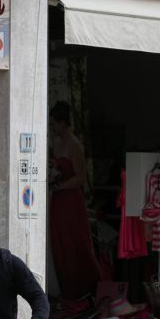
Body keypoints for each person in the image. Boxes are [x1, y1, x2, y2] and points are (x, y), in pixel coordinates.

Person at [47, 101, 103, 300]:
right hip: (58, 198)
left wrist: (58, 184)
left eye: (54, 124)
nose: (52, 127)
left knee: (74, 241)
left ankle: (84, 287)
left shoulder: (74, 144)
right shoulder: (56, 141)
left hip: (70, 199)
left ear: (63, 123)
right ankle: (66, 286)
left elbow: (81, 177)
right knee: (59, 240)